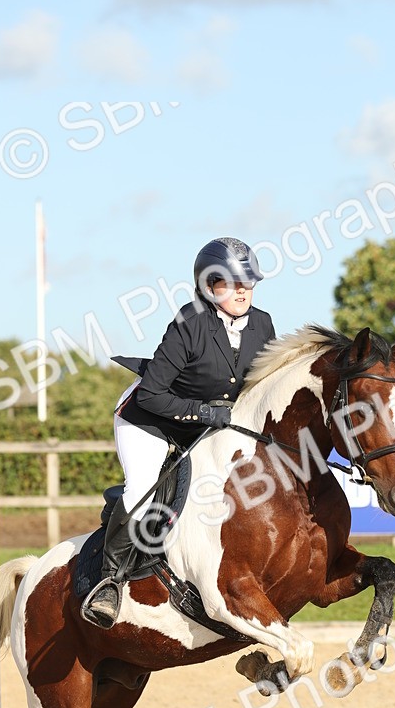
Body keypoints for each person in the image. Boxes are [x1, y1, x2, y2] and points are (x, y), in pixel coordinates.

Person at [81, 236, 277, 628]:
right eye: (233, 282)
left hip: (208, 424)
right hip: (149, 420)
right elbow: (153, 394)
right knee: (143, 490)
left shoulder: (263, 324)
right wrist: (204, 411)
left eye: (248, 282)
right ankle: (109, 580)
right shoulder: (189, 323)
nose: (243, 291)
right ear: (209, 285)